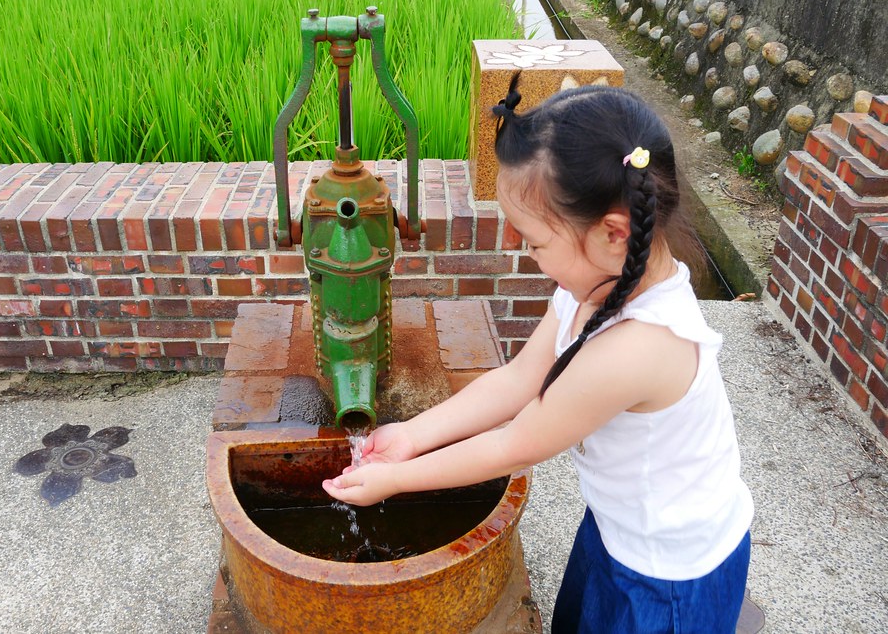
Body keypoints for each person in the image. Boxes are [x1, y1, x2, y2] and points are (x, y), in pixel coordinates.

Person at [322, 75, 754, 633]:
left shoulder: (638, 348)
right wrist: (412, 435)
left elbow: (514, 443)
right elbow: (518, 380)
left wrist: (396, 480)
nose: (524, 254)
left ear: (613, 232)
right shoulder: (596, 282)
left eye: (534, 241)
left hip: (670, 573)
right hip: (621, 524)